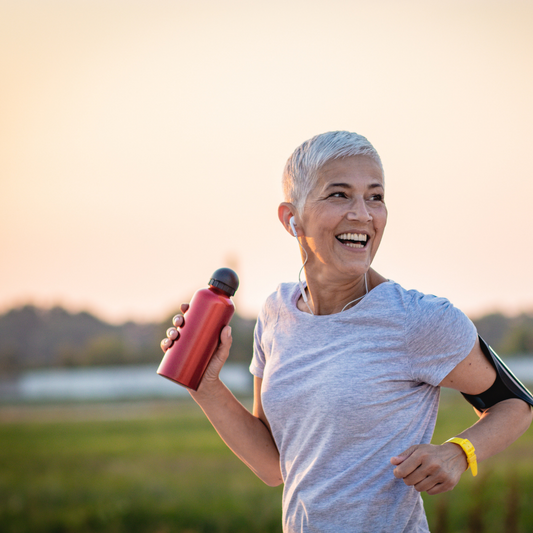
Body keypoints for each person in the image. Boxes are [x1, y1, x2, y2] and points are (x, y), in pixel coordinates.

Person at [161, 131, 533, 532]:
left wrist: (458, 452)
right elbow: (274, 465)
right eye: (339, 195)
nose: (363, 214)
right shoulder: (277, 313)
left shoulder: (418, 319)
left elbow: (516, 406)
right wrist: (205, 384)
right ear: (292, 218)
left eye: (375, 197)